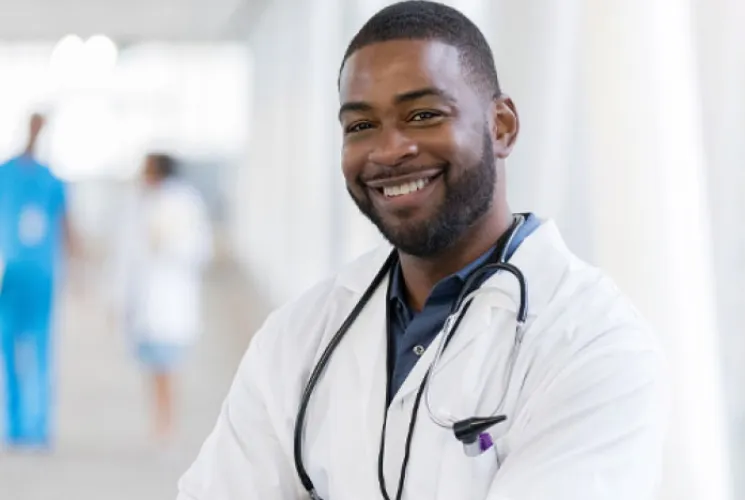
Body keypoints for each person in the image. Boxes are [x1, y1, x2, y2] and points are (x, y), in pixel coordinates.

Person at [178, 1, 668, 499]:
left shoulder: (593, 343)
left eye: (424, 114)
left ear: (501, 126)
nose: (389, 150)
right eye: (361, 126)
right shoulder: (299, 335)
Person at [110, 153, 213, 442]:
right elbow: (125, 256)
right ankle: (158, 422)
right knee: (152, 367)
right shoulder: (139, 203)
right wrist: (119, 299)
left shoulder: (183, 202)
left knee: (168, 367)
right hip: (145, 301)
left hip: (172, 299)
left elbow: (199, 250)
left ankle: (167, 424)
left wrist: (167, 243)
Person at [0, 113, 77, 450]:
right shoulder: (6, 175)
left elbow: (67, 227)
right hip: (10, 274)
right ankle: (16, 426)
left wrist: (80, 273)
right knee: (8, 348)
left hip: (41, 275)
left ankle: (38, 426)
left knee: (42, 349)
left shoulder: (51, 180)